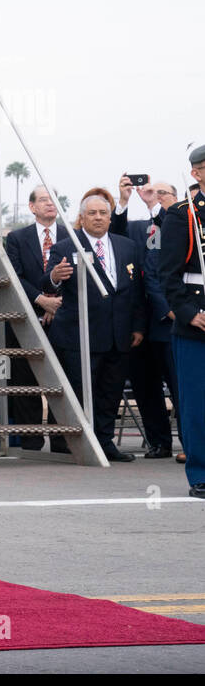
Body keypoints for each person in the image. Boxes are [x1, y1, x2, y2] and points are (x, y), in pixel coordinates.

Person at [45, 193, 147, 463]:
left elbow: (136, 290)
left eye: (103, 212)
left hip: (119, 335)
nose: (98, 217)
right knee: (81, 392)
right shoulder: (66, 247)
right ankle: (79, 443)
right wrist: (54, 277)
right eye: (92, 213)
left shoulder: (127, 246)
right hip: (80, 336)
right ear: (82, 217)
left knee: (110, 393)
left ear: (110, 216)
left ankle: (105, 442)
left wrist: (138, 326)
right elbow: (49, 281)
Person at [4, 185, 74, 448]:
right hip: (29, 317)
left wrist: (58, 306)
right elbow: (14, 276)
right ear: (32, 206)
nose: (49, 204)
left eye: (53, 199)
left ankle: (61, 442)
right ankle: (31, 444)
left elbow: (77, 277)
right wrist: (42, 301)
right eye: (43, 200)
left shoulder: (72, 236)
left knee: (63, 381)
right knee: (27, 381)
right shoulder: (17, 238)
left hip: (63, 318)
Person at [159, 145, 205, 497]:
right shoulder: (182, 215)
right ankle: (201, 472)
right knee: (197, 403)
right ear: (197, 174)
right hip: (197, 321)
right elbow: (169, 276)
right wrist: (191, 314)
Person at [127, 181, 180, 459]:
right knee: (145, 389)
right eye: (153, 192)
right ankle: (159, 442)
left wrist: (171, 310)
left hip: (170, 322)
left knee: (179, 386)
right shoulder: (142, 228)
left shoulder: (178, 223)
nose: (156, 197)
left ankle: (190, 444)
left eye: (163, 193)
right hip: (139, 322)